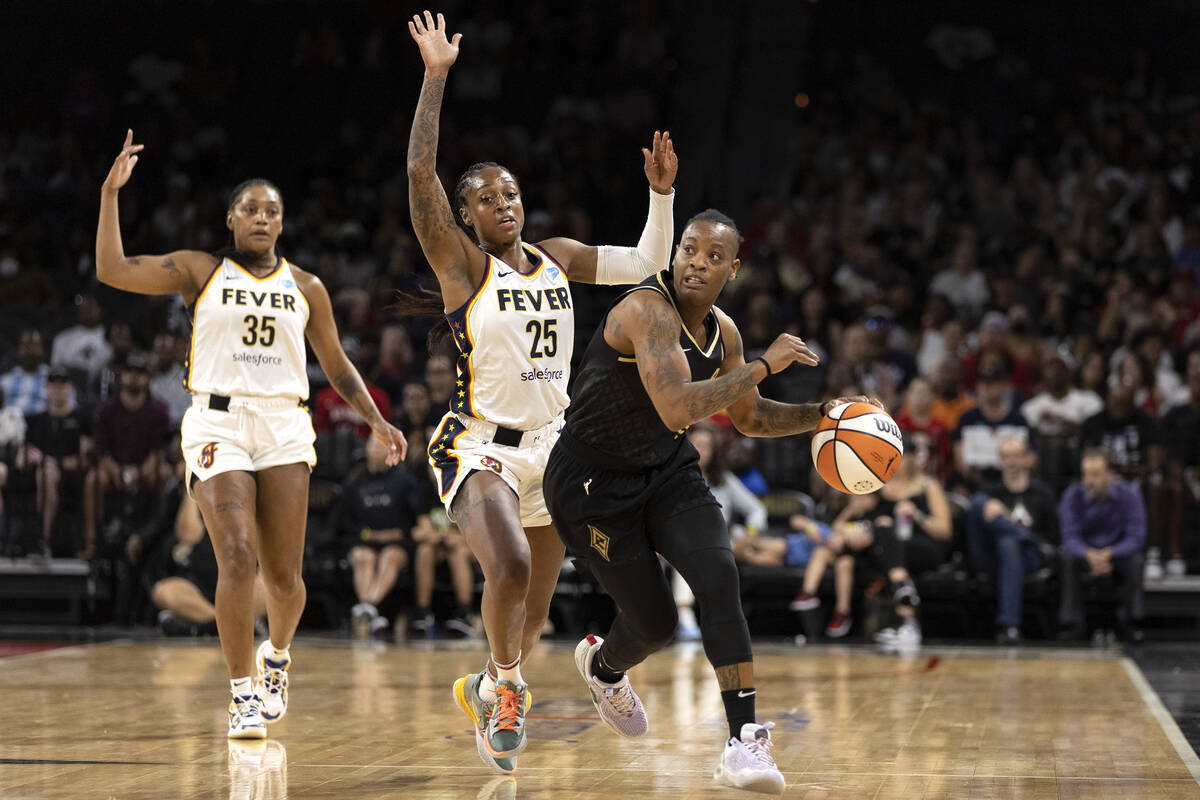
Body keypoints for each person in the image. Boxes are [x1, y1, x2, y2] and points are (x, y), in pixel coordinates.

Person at [403, 11, 677, 772]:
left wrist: (661, 194)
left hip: (555, 453)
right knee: (512, 569)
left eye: (511, 195)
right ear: (465, 216)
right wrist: (435, 79)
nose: (505, 206)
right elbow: (420, 175)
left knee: (525, 623)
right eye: (488, 200)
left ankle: (491, 682)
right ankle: (510, 692)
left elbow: (650, 257)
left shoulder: (554, 257)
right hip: (480, 443)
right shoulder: (464, 267)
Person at [543, 208, 869, 794]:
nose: (697, 262)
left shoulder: (726, 332)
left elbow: (749, 418)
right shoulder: (647, 309)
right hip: (591, 485)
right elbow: (677, 407)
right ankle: (604, 667)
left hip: (666, 470)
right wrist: (767, 365)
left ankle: (744, 742)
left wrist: (826, 416)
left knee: (719, 573)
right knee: (656, 624)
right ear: (674, 254)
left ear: (733, 270)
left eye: (714, 257)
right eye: (689, 249)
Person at [96, 129, 406, 739]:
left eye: (273, 211)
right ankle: (241, 692)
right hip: (217, 419)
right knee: (235, 555)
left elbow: (337, 366)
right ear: (231, 217)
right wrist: (110, 195)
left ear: (282, 223)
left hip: (285, 423)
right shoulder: (199, 269)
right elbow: (110, 269)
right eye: (252, 209)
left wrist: (376, 417)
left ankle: (277, 659)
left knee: (285, 580)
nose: (262, 217)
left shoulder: (307, 287)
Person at [966, 435, 1059, 644]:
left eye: (1017, 456)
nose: (1012, 461)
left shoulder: (1042, 493)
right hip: (993, 557)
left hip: (1031, 555)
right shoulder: (991, 492)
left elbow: (1053, 538)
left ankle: (1009, 625)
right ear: (1000, 461)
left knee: (1009, 543)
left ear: (1027, 459)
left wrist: (1004, 520)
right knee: (979, 502)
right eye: (1006, 457)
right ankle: (1009, 627)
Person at [682, 424, 767, 640]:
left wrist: (750, 533)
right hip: (678, 541)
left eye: (706, 446)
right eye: (696, 445)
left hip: (716, 541)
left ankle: (700, 618)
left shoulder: (724, 480)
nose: (701, 451)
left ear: (714, 451)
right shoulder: (675, 480)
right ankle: (683, 614)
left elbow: (757, 508)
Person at [336, 435, 423, 636]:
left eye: (381, 446)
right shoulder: (355, 483)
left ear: (391, 451)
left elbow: (415, 521)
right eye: (372, 445)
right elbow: (343, 522)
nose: (376, 450)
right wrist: (368, 535)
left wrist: (396, 534)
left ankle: (368, 607)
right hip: (363, 541)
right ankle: (371, 609)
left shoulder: (405, 481)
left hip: (397, 543)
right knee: (362, 557)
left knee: (391, 556)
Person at [1058, 448, 1147, 642]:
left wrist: (1109, 553)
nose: (1089, 480)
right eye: (1086, 474)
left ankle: (1134, 622)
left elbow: (1136, 537)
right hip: (1085, 554)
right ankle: (1072, 623)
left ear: (1110, 474)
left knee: (1136, 560)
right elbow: (1068, 537)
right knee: (1067, 557)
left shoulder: (1130, 494)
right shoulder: (1072, 496)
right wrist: (1088, 554)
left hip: (1117, 553)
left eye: (1095, 474)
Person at [22, 366, 92, 558]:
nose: (58, 389)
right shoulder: (35, 421)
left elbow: (85, 457)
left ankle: (44, 539)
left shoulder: (82, 419)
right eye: (54, 384)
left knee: (50, 472)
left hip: (73, 476)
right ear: (46, 388)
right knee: (46, 473)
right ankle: (41, 540)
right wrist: (39, 459)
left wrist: (60, 463)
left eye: (63, 384)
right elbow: (25, 452)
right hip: (41, 473)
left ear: (70, 388)